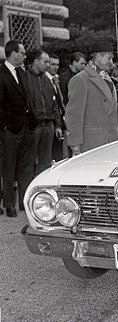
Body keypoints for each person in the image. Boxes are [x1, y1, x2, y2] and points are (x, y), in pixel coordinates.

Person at [0, 40, 36, 217]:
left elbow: (26, 98)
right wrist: (5, 125)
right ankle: (9, 204)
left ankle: (24, 201)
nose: (25, 55)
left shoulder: (22, 73)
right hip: (10, 129)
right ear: (13, 53)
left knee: (26, 166)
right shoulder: (1, 73)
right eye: (22, 52)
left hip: (26, 126)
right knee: (9, 167)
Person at [65, 41, 118, 156]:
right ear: (98, 57)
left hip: (110, 143)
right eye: (109, 58)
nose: (112, 63)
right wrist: (75, 145)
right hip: (91, 145)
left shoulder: (107, 78)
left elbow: (108, 108)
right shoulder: (80, 79)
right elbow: (73, 116)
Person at [26, 50, 62, 175]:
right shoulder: (26, 78)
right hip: (34, 125)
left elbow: (54, 104)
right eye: (45, 61)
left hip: (49, 125)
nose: (48, 65)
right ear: (36, 61)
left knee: (46, 162)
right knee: (29, 161)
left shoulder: (47, 80)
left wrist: (57, 125)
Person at [46, 53, 66, 162]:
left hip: (59, 121)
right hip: (50, 122)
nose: (55, 67)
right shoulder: (44, 79)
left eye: (57, 64)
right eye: (53, 64)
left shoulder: (56, 80)